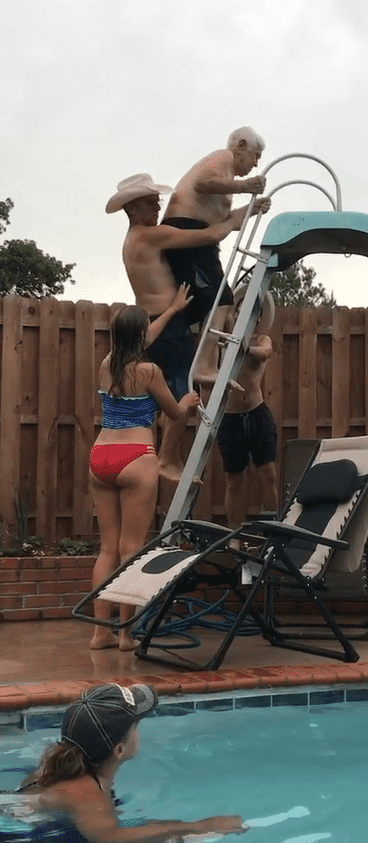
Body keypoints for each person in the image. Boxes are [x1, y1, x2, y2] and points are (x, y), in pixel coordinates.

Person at [105, 172, 268, 481]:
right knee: (183, 395)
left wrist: (247, 210)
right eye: (151, 204)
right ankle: (167, 459)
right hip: (167, 324)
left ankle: (164, 455)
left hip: (156, 322)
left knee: (167, 394)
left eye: (158, 202)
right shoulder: (148, 236)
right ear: (132, 210)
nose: (157, 208)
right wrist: (241, 217)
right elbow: (207, 237)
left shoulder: (133, 240)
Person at [88, 305, 200, 651]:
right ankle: (125, 634)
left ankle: (99, 633)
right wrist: (189, 400)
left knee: (108, 547)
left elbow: (141, 337)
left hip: (100, 457)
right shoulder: (149, 372)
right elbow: (175, 413)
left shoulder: (108, 364)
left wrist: (171, 311)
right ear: (139, 336)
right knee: (131, 548)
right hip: (136, 458)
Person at [11, 683, 248, 842]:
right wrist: (199, 827)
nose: (139, 730)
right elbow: (111, 838)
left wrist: (176, 827)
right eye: (136, 725)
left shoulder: (67, 769)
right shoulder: (85, 792)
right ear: (120, 749)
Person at [161, 126, 270, 328]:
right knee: (221, 299)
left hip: (196, 237)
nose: (256, 164)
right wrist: (245, 186)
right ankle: (205, 359)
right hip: (186, 232)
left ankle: (187, 342)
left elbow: (226, 220)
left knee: (202, 302)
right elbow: (202, 183)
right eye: (255, 156)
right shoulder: (224, 157)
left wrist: (253, 208)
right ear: (241, 146)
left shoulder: (226, 182)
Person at [201, 287, 278, 535]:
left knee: (268, 473)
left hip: (256, 414)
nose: (246, 314)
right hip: (230, 419)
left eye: (252, 311)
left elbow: (262, 354)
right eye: (241, 308)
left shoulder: (260, 341)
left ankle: (273, 532)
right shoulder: (221, 342)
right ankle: (234, 535)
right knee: (234, 480)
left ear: (258, 316)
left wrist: (243, 346)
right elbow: (205, 373)